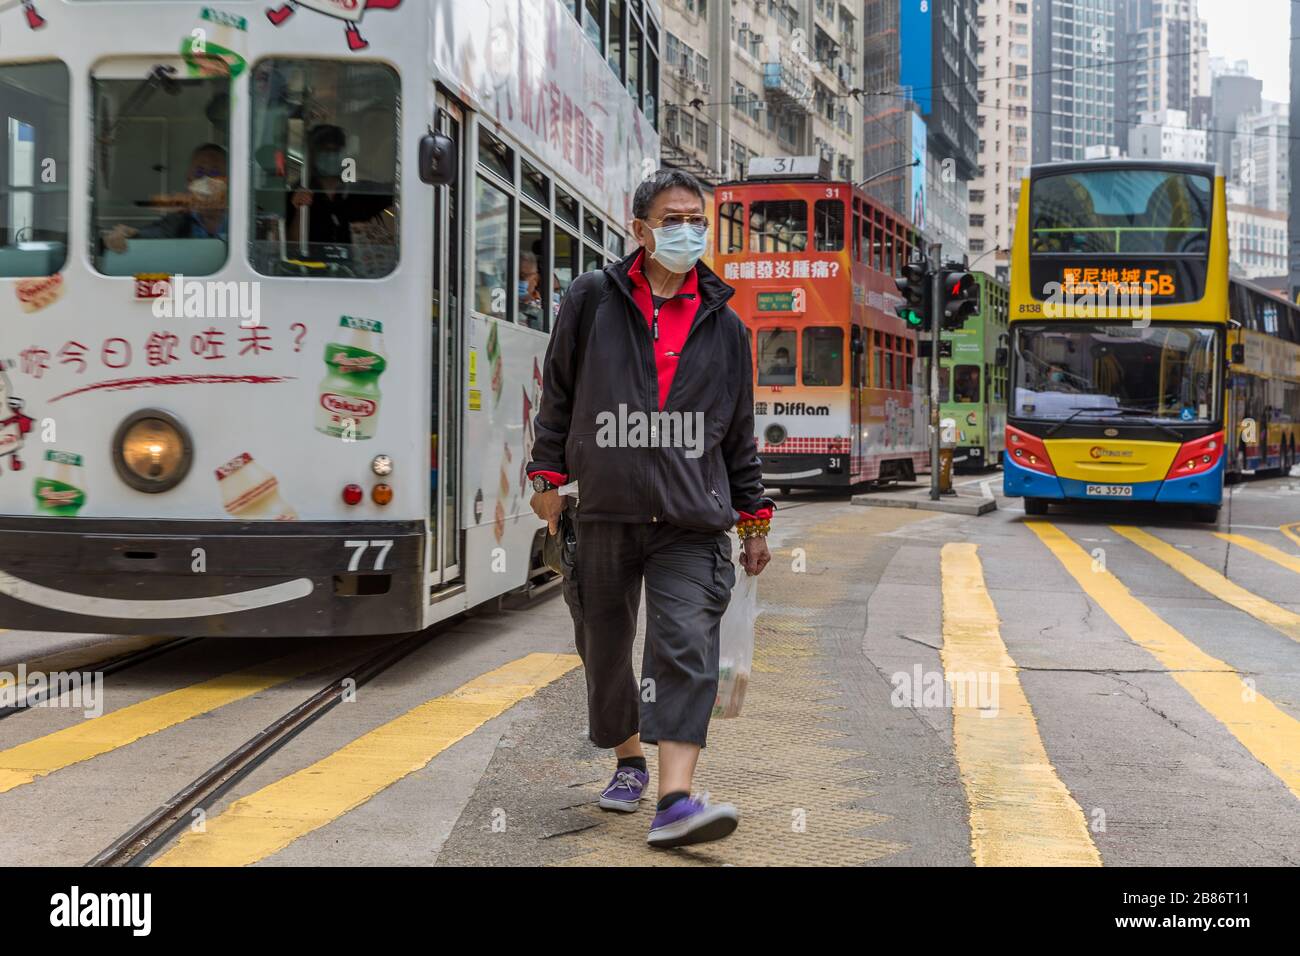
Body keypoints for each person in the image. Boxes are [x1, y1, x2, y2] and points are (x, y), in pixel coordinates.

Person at [527, 169, 773, 850]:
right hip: (605, 509)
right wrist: (546, 471)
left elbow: (738, 434)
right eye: (672, 218)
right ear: (639, 228)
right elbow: (559, 393)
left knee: (686, 645)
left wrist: (753, 520)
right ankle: (628, 758)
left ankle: (674, 801)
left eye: (697, 218)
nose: (687, 230)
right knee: (605, 646)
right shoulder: (592, 300)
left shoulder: (726, 327)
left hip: (691, 518)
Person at [101, 143, 229, 252]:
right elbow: (152, 235)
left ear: (229, 182)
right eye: (199, 172)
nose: (206, 179)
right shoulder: (178, 220)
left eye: (214, 173)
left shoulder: (243, 221)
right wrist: (127, 234)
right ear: (189, 182)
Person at [288, 124, 393, 247]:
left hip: (351, 265)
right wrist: (299, 211)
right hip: (311, 265)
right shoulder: (298, 193)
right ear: (313, 156)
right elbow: (292, 243)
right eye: (325, 151)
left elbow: (395, 192)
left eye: (336, 151)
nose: (331, 157)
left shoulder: (358, 193)